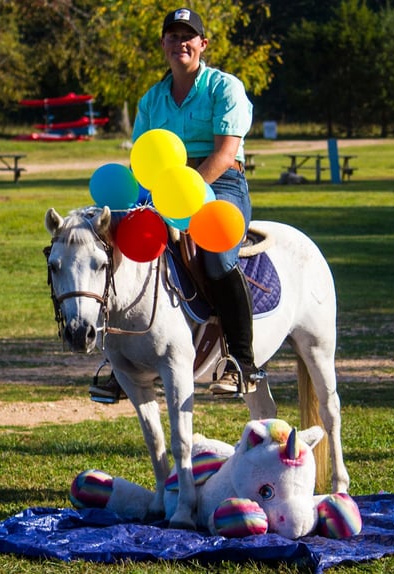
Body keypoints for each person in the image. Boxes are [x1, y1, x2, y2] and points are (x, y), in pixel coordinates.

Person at [89, 7, 262, 402]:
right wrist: (152, 200)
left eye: (189, 36)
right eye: (172, 35)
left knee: (217, 256)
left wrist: (184, 193)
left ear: (203, 44)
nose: (180, 42)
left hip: (222, 180)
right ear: (163, 44)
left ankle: (242, 363)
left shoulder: (225, 88)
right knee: (118, 242)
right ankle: (120, 363)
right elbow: (142, 160)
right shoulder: (151, 100)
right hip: (162, 185)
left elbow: (223, 154)